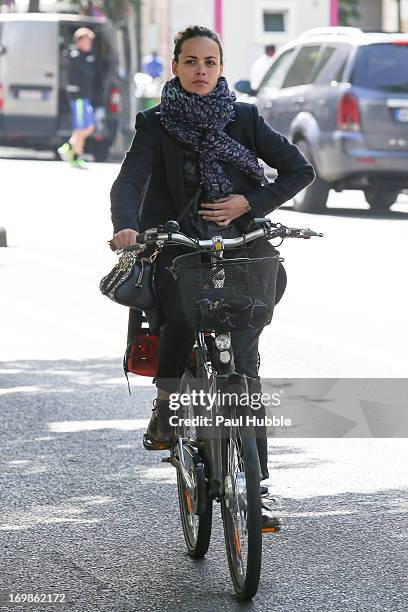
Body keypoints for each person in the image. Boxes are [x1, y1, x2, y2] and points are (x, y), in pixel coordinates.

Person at [110, 26, 314, 528]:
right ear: (175, 67)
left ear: (221, 69)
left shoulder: (244, 118)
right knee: (178, 316)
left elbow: (298, 170)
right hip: (178, 244)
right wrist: (127, 228)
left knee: (245, 366)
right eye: (191, 62)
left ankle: (257, 488)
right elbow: (131, 180)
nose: (201, 70)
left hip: (242, 246)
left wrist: (252, 202)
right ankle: (166, 406)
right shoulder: (154, 124)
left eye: (210, 62)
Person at [58, 27, 97, 169]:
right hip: (79, 98)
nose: (89, 44)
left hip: (85, 97)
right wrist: (84, 59)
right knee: (81, 128)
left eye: (90, 42)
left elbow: (91, 72)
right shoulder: (74, 55)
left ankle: (69, 147)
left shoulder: (84, 56)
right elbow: (88, 71)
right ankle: (75, 155)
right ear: (78, 41)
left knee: (89, 127)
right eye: (86, 41)